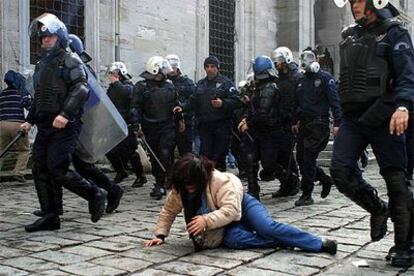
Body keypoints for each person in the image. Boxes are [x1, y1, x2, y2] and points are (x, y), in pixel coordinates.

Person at [332, 0, 414, 267]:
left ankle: (404, 245)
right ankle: (377, 208)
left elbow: (406, 74)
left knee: (397, 181)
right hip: (354, 118)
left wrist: (403, 105)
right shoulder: (350, 35)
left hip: (386, 113)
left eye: (358, 0)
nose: (354, 6)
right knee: (341, 171)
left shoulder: (395, 33)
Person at [145, 153, 337, 255]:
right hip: (222, 223)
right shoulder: (181, 187)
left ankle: (318, 243)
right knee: (234, 241)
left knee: (266, 227)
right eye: (186, 185)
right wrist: (161, 234)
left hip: (241, 205)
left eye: (192, 184)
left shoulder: (221, 181)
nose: (189, 188)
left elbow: (232, 210)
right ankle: (283, 240)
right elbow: (169, 210)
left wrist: (205, 220)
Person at [20, 13, 106, 232]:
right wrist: (29, 121)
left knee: (57, 168)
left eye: (49, 37)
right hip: (45, 125)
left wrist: (66, 114)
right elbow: (39, 96)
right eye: (42, 38)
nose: (45, 41)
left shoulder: (71, 60)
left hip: (66, 125)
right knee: (40, 168)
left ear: (59, 37)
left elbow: (81, 89)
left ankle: (95, 193)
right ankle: (51, 215)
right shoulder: (41, 65)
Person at [238, 55, 297, 200]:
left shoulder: (269, 88)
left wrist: (248, 123)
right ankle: (253, 191)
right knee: (251, 160)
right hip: (258, 131)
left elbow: (263, 113)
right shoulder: (259, 88)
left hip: (269, 132)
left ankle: (289, 180)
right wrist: (246, 119)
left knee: (268, 164)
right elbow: (254, 110)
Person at [293, 47, 341, 206]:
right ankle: (324, 179)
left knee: (308, 158)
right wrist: (295, 121)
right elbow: (298, 104)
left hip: (319, 124)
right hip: (304, 124)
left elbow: (335, 102)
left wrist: (337, 123)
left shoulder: (325, 78)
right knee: (301, 158)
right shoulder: (301, 81)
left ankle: (307, 194)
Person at [133, 56, 183, 200]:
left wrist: (180, 119)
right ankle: (159, 182)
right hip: (150, 125)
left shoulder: (169, 85)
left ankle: (166, 180)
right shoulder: (141, 87)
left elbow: (176, 104)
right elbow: (135, 107)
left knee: (165, 152)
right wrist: (136, 124)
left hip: (167, 125)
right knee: (155, 156)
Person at [181, 56, 241, 171]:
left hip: (222, 126)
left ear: (217, 68)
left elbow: (237, 101)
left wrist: (223, 103)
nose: (209, 69)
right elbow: (192, 101)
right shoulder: (200, 84)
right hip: (205, 126)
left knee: (219, 157)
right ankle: (207, 183)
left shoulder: (226, 83)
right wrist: (181, 107)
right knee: (205, 156)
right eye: (207, 67)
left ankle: (219, 183)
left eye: (212, 66)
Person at [105, 61, 147, 188]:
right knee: (109, 151)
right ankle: (121, 171)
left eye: (114, 73)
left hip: (127, 123)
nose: (111, 76)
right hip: (114, 123)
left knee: (130, 152)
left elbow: (125, 94)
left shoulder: (128, 86)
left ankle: (141, 176)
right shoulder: (112, 88)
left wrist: (135, 124)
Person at [270, 46, 302, 197]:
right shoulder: (280, 79)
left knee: (287, 155)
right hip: (280, 122)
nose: (277, 65)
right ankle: (287, 183)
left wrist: (297, 119)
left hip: (292, 122)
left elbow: (300, 101)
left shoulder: (297, 77)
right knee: (281, 155)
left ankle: (293, 182)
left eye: (279, 62)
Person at [0, 70, 32, 182]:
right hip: (18, 124)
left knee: (1, 150)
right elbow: (30, 107)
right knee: (24, 150)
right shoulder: (21, 93)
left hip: (2, 125)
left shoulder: (2, 94)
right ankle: (18, 172)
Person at [166, 54, 196, 156]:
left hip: (184, 123)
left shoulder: (187, 83)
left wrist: (183, 114)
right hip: (168, 123)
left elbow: (193, 101)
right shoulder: (163, 83)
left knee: (186, 152)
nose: (171, 69)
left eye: (173, 67)